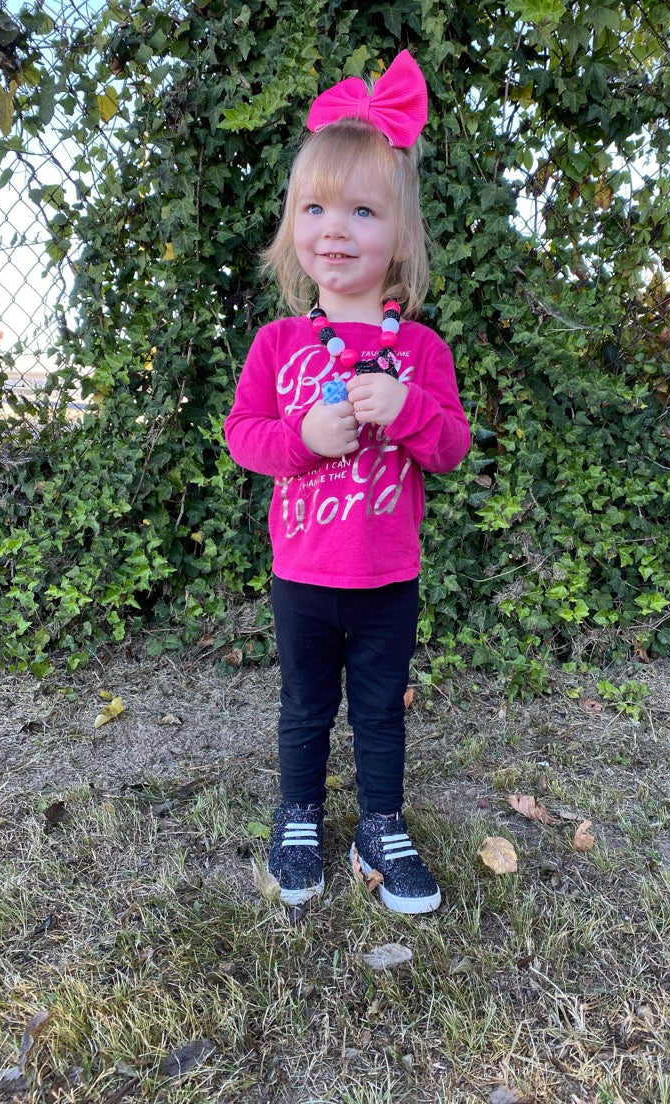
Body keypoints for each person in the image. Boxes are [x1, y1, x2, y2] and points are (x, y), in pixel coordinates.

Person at [224, 50, 470, 914]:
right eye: (316, 207)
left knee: (379, 711)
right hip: (302, 577)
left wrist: (404, 409)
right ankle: (297, 816)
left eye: (362, 210)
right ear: (294, 224)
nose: (335, 227)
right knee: (302, 708)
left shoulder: (422, 351)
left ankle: (380, 824)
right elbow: (243, 435)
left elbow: (449, 447)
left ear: (399, 235)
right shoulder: (279, 347)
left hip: (385, 581)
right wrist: (302, 440)